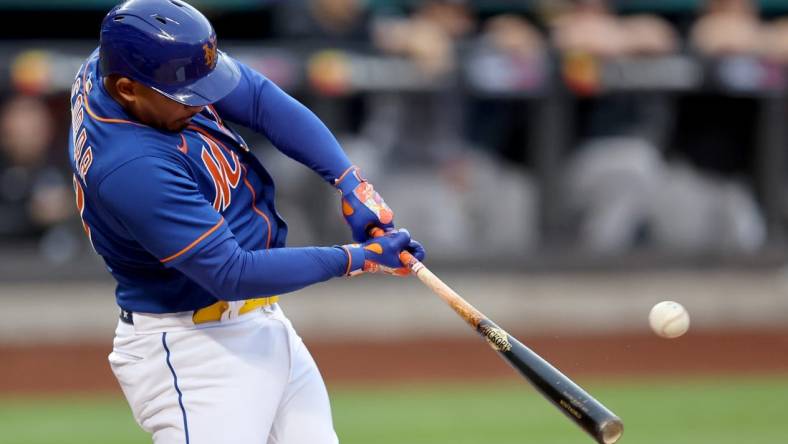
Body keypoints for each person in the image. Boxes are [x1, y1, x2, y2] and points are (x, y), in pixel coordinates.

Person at [67, 1, 425, 443]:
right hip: (195, 352)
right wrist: (358, 258)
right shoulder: (130, 166)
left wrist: (350, 182)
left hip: (260, 325)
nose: (201, 103)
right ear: (126, 89)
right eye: (186, 96)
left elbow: (256, 97)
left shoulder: (120, 66)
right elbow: (230, 273)